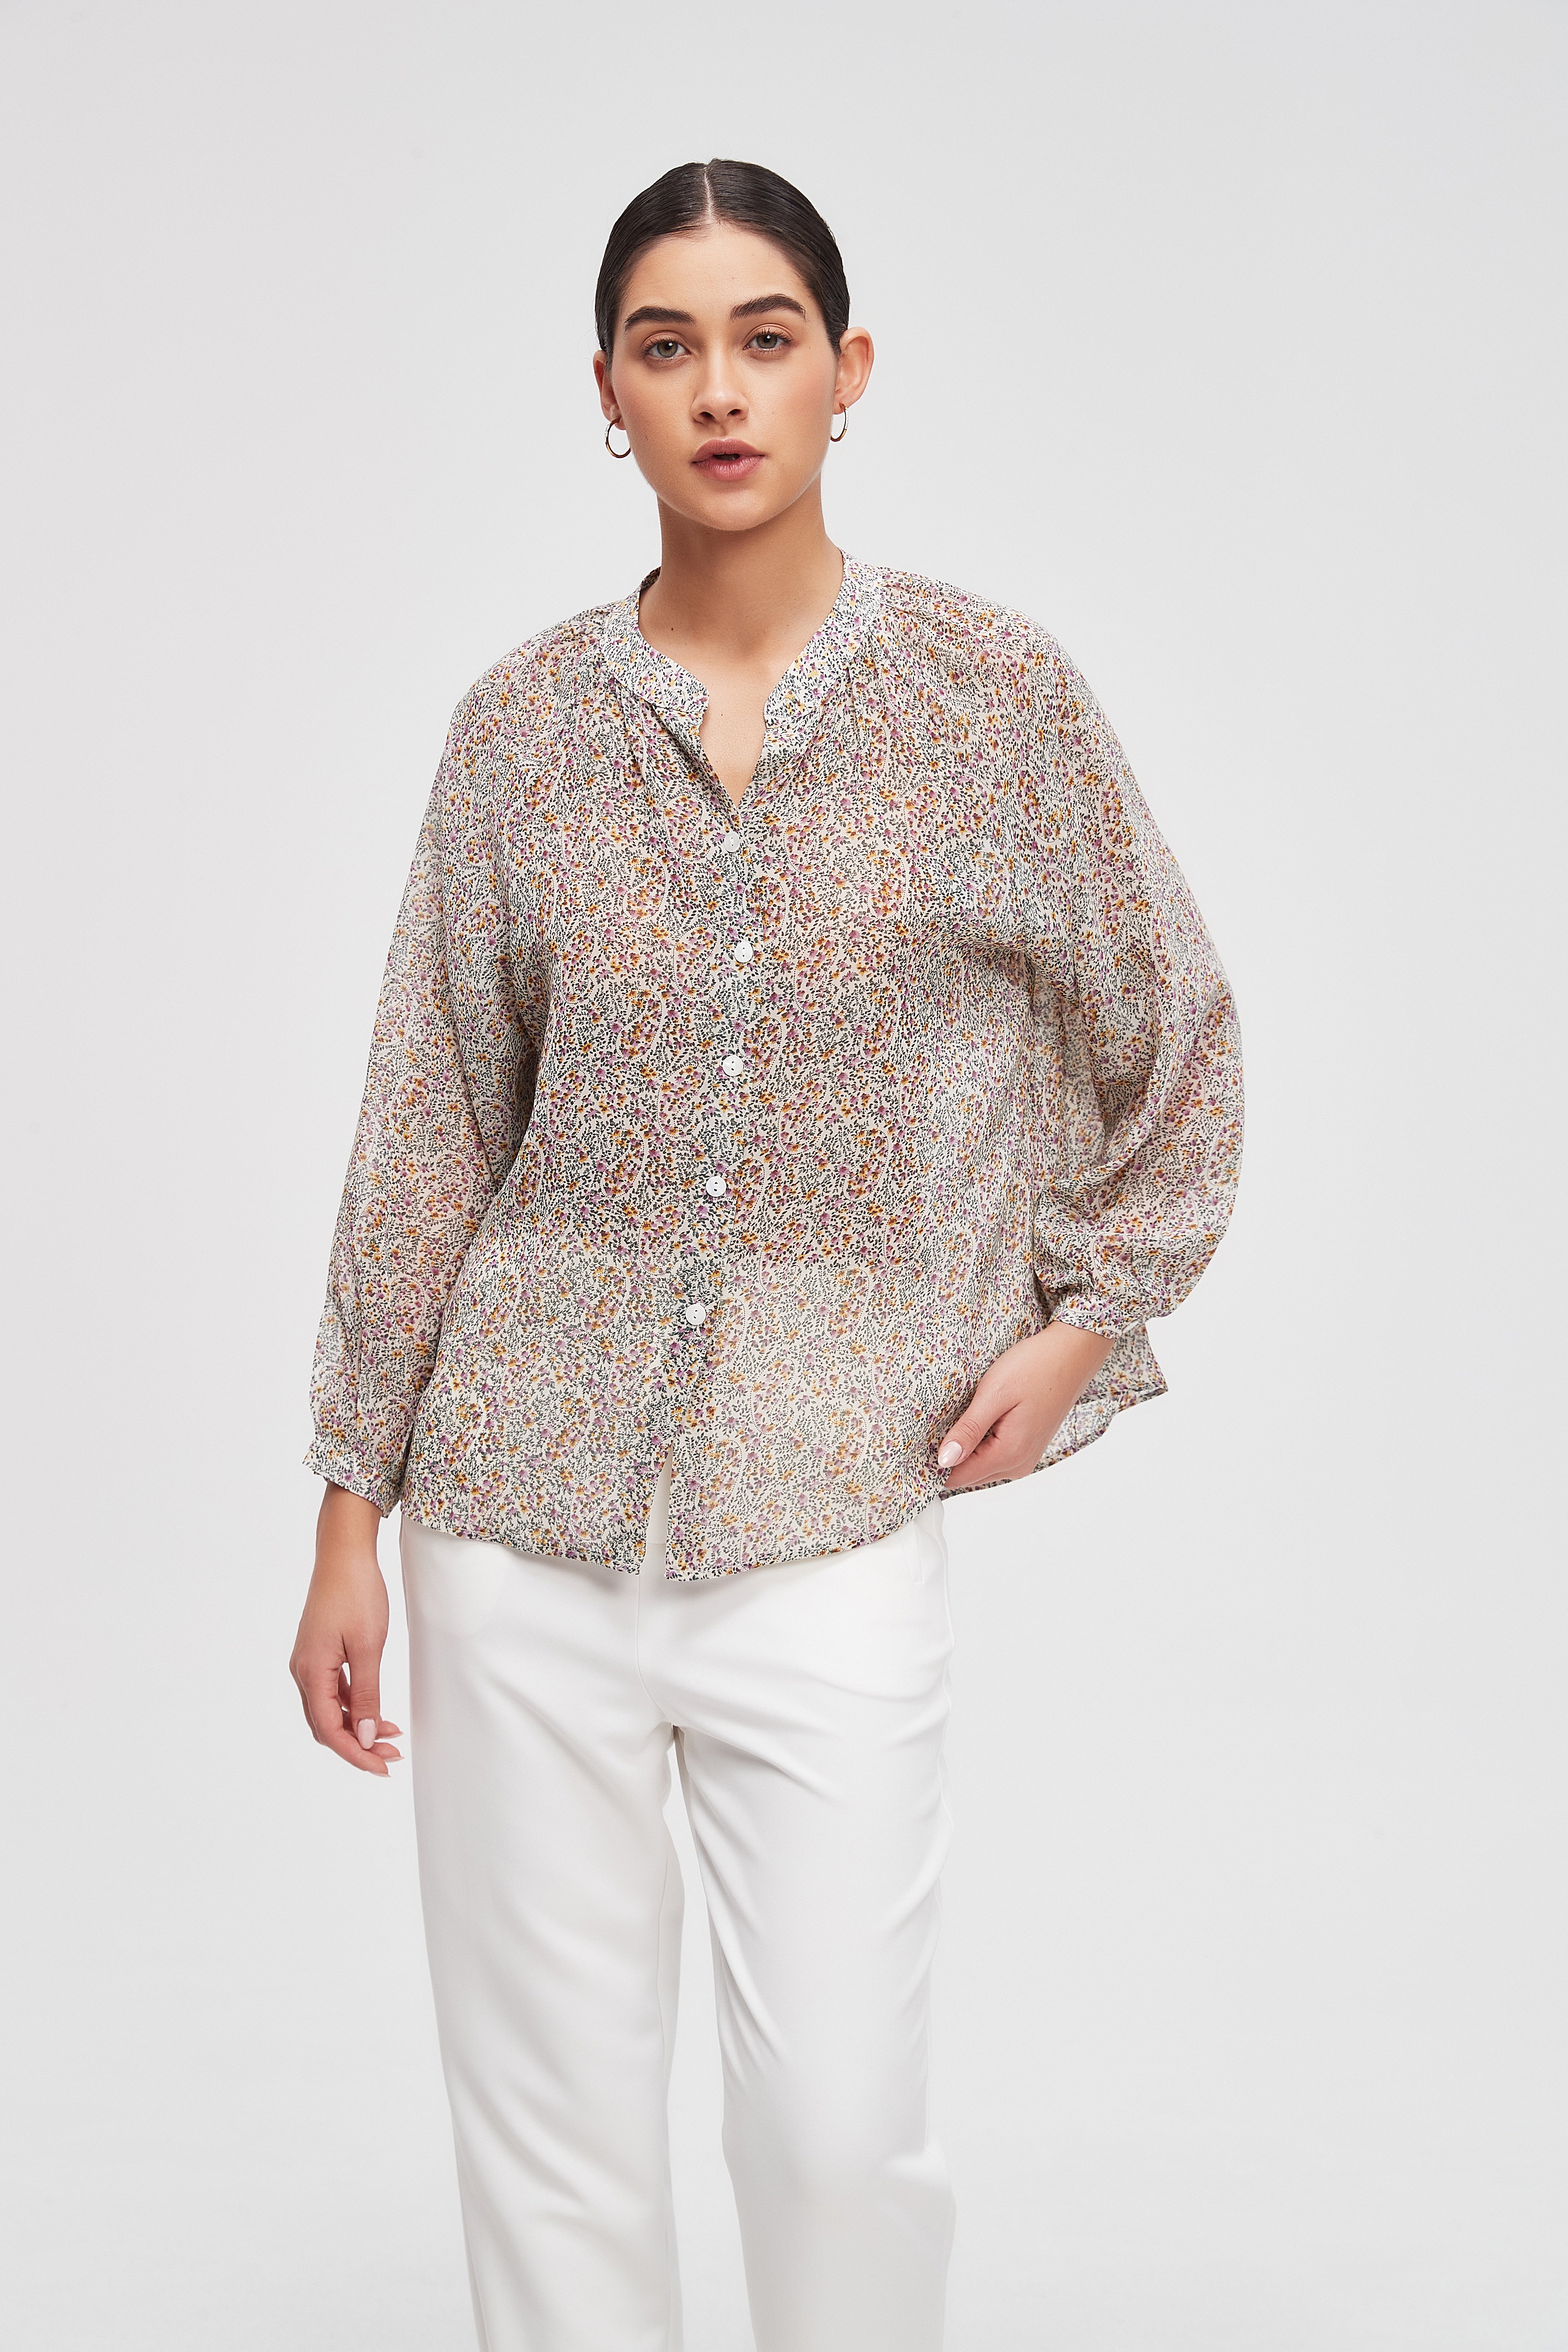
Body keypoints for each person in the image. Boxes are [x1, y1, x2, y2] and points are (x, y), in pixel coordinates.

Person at [290, 156, 1242, 2352]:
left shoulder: (995, 701)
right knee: (551, 2139)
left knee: (836, 2137)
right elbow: (431, 1125)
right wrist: (349, 1520)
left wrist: (1090, 1316)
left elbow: (1174, 1033)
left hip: (831, 1506)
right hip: (512, 1520)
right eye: (666, 347)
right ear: (605, 394)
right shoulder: (518, 732)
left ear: (847, 370)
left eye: (764, 338)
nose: (718, 390)